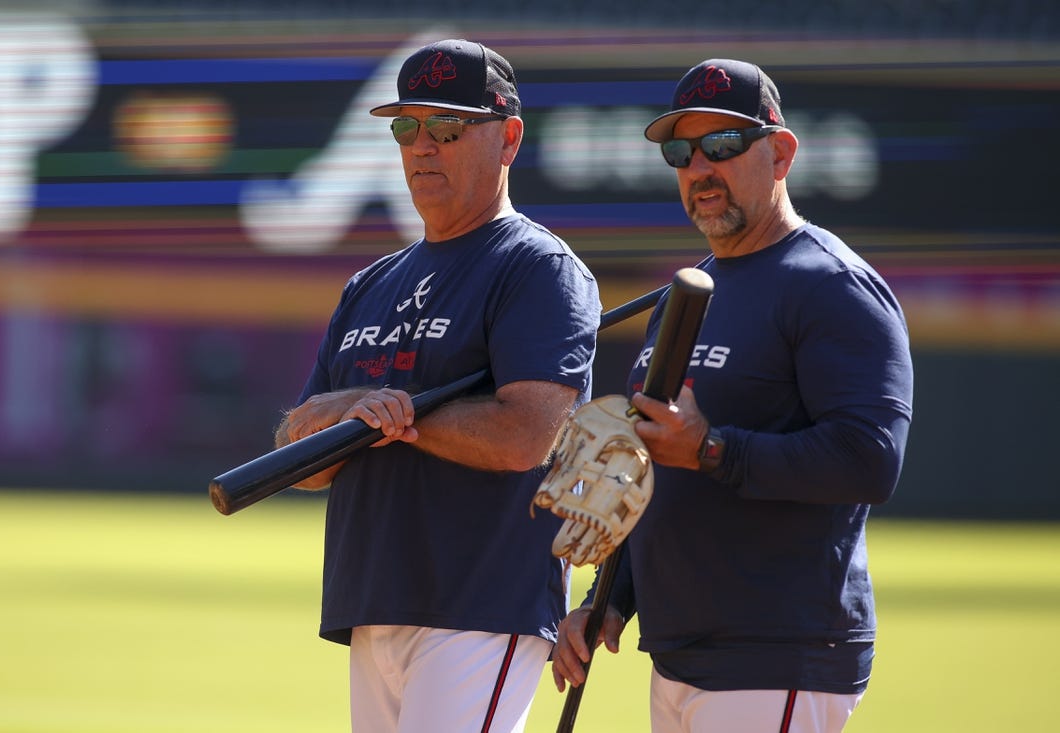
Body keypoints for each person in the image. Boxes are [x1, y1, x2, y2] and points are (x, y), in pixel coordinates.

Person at [551, 58, 914, 732]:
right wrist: (612, 600)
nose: (699, 168)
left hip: (778, 654)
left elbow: (871, 458)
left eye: (722, 145)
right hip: (682, 653)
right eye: (681, 152)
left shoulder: (833, 286)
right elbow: (662, 467)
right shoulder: (686, 294)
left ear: (781, 153)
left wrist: (714, 448)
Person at [273, 39, 601, 733]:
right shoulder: (370, 284)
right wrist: (340, 411)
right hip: (373, 601)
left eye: (448, 128)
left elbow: (528, 434)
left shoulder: (537, 267)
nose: (422, 146)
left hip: (481, 604)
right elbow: (297, 455)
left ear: (508, 138)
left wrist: (394, 420)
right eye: (407, 126)